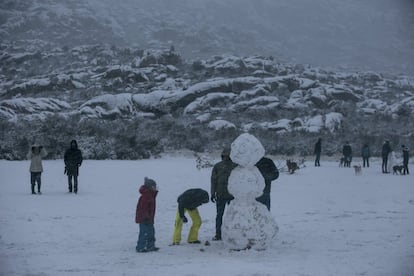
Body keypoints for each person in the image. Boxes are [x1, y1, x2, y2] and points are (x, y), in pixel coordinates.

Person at [210, 148, 237, 241]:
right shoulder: (217, 166)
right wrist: (213, 193)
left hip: (232, 195)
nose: (226, 157)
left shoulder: (236, 166)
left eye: (228, 155)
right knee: (219, 215)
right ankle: (218, 234)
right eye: (224, 155)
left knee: (233, 216)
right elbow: (213, 181)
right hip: (220, 195)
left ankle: (232, 234)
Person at [135, 177, 159, 253]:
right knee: (144, 233)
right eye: (153, 186)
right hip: (144, 219)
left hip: (149, 218)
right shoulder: (146, 196)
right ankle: (140, 247)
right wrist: (146, 217)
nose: (155, 188)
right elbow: (143, 208)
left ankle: (150, 246)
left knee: (151, 232)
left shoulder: (151, 195)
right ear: (150, 187)